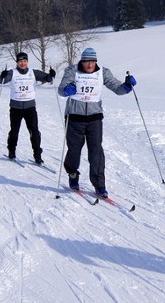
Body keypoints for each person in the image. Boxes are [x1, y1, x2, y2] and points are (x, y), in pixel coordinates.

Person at [57, 47, 136, 197]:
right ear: (82, 61)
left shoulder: (103, 72)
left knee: (96, 152)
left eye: (93, 62)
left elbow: (117, 88)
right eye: (87, 62)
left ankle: (100, 185)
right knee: (74, 150)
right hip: (74, 117)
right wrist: (67, 89)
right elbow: (61, 90)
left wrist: (127, 87)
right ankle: (72, 174)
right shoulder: (72, 71)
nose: (90, 65)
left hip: (95, 118)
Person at [0, 52, 55, 164]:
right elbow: (2, 81)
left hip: (30, 108)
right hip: (16, 107)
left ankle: (37, 155)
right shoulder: (12, 73)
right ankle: (11, 151)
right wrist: (2, 75)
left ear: (27, 62)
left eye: (24, 61)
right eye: (20, 61)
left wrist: (51, 74)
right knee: (14, 131)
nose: (22, 63)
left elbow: (47, 78)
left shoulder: (33, 72)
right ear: (17, 62)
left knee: (34, 132)